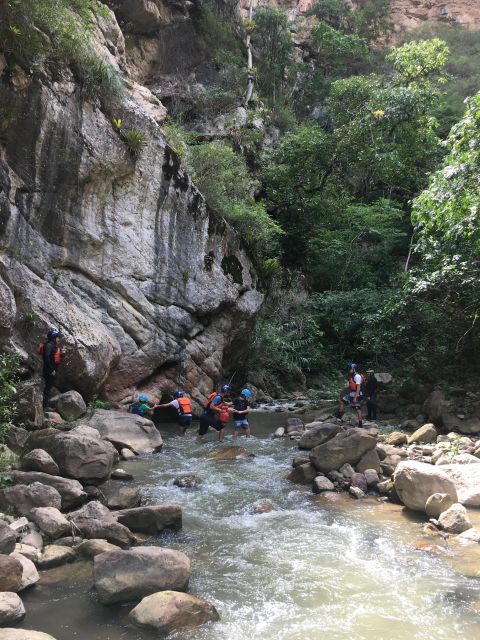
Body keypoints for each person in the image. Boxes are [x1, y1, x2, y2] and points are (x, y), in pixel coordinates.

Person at [39, 329, 62, 412]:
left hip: (51, 370)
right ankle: (45, 407)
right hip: (49, 370)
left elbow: (52, 356)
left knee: (48, 388)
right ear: (53, 338)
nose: (59, 339)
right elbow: (46, 358)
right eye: (58, 337)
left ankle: (45, 405)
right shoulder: (49, 345)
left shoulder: (52, 345)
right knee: (47, 388)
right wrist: (52, 370)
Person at [335, 363, 364, 428]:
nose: (349, 370)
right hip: (351, 394)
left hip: (357, 394)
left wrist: (355, 397)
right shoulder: (352, 376)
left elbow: (358, 388)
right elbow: (349, 385)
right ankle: (339, 417)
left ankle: (360, 423)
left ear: (354, 369)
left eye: (350, 369)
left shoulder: (357, 376)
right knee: (342, 401)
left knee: (358, 408)